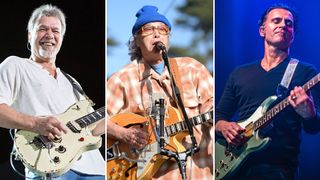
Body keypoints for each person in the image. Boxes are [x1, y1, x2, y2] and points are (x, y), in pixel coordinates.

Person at [107, 5, 213, 180]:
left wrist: (215, 115)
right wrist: (125, 135)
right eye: (148, 29)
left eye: (162, 29)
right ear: (137, 39)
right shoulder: (122, 79)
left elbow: (212, 103)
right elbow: (100, 122)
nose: (157, 34)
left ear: (168, 37)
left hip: (201, 172)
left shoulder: (192, 68)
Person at [215, 3, 320, 179]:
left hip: (279, 169)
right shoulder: (239, 73)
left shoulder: (306, 72)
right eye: (276, 21)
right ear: (262, 30)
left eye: (289, 23)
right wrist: (224, 126)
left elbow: (314, 127)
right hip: (234, 166)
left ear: (292, 35)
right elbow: (218, 115)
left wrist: (309, 114)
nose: (283, 25)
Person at [0, 4, 105, 180]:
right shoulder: (15, 65)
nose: (49, 35)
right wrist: (35, 124)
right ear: (29, 35)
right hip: (50, 166)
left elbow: (93, 130)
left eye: (55, 30)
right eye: (42, 29)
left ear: (61, 38)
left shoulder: (72, 82)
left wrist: (116, 110)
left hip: (96, 170)